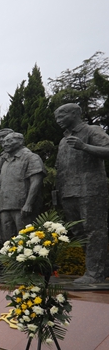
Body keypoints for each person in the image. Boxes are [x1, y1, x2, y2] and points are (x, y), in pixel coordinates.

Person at [55, 103, 109, 284]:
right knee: (78, 232)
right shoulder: (63, 141)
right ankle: (100, 267)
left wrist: (84, 146)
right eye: (56, 117)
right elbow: (60, 169)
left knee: (94, 230)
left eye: (61, 116)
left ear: (75, 113)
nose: (58, 120)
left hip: (90, 188)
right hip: (68, 191)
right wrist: (58, 192)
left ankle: (95, 273)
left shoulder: (92, 131)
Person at [0, 132, 45, 242]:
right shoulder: (5, 162)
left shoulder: (31, 157)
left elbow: (36, 181)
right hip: (4, 206)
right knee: (7, 241)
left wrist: (28, 204)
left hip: (21, 206)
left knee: (25, 240)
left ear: (20, 142)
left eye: (9, 141)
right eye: (4, 142)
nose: (5, 144)